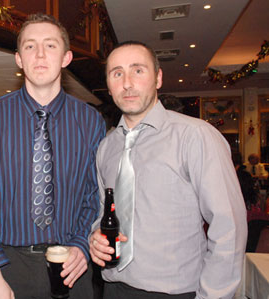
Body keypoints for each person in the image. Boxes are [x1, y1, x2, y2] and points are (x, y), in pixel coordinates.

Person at [89, 41, 247, 298]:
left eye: (138, 70)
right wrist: (95, 237)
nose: (127, 83)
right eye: (117, 73)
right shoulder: (106, 147)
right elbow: (102, 211)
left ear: (158, 78)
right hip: (113, 288)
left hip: (176, 292)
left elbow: (229, 226)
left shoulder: (195, 136)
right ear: (108, 85)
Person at [0, 13, 105, 299]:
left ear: (66, 57)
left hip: (72, 264)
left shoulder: (91, 121)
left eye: (50, 46)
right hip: (6, 264)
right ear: (19, 59)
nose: (40, 54)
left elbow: (95, 195)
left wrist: (80, 245)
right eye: (30, 46)